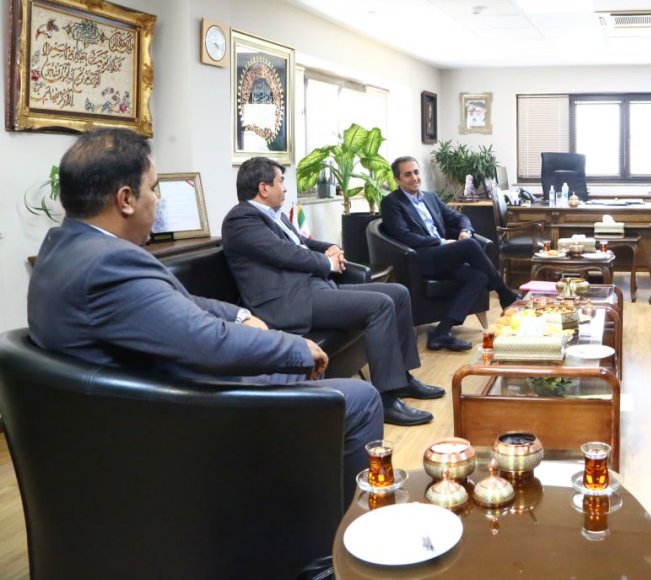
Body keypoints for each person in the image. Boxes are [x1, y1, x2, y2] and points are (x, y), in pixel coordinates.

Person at [27, 129, 382, 510]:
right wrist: (296, 347)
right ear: (126, 199)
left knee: (305, 379)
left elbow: (178, 302)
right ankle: (345, 532)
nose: (158, 199)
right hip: (185, 418)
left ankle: (298, 503)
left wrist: (240, 314)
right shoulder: (109, 264)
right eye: (153, 188)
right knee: (360, 399)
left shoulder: (65, 248)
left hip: (144, 401)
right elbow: (208, 342)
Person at [222, 157, 440, 427]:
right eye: (281, 182)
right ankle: (386, 400)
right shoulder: (241, 219)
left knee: (398, 292)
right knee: (380, 305)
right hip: (289, 302)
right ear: (264, 188)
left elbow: (303, 243)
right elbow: (284, 253)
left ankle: (402, 379)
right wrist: (327, 263)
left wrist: (331, 248)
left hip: (313, 289)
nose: (285, 188)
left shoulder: (274, 216)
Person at [380, 156, 521, 349]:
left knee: (479, 277)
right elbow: (404, 237)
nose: (414, 178)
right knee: (470, 246)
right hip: (420, 257)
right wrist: (441, 241)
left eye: (416, 172)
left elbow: (459, 217)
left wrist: (465, 231)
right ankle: (504, 294)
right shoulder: (391, 203)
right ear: (397, 179)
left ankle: (440, 333)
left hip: (442, 257)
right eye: (407, 174)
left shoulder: (430, 197)